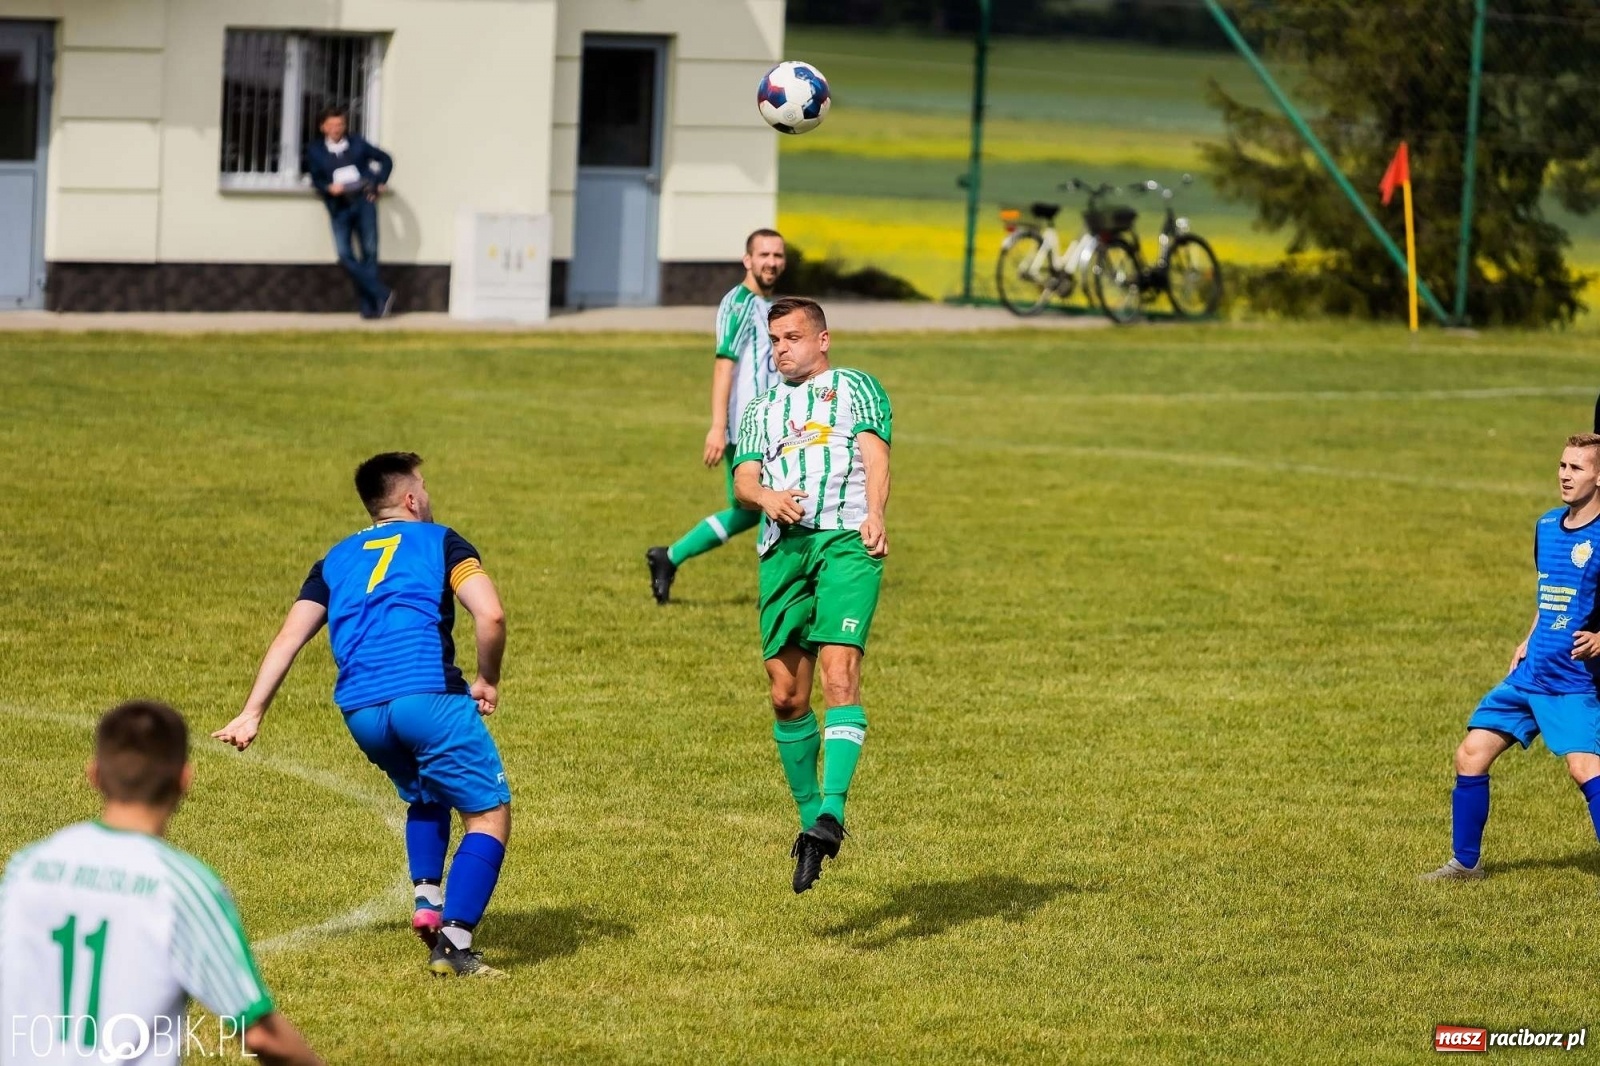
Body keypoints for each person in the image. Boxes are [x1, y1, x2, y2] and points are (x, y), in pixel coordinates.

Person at [212, 452, 512, 978]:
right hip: (427, 698)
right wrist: (487, 679)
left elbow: (288, 638)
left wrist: (251, 712)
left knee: (426, 793)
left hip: (362, 712)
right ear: (411, 498)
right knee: (488, 816)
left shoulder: (334, 559)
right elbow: (490, 614)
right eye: (424, 486)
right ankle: (454, 945)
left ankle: (427, 901)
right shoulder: (442, 541)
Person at [0, 700, 322, 1065]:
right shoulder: (183, 887)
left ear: (95, 775)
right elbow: (261, 1034)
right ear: (184, 779)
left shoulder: (26, 868)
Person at [731, 297, 893, 893]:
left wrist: (875, 513)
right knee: (785, 696)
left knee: (839, 675)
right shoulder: (761, 408)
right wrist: (766, 497)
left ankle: (832, 811)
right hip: (783, 551)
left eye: (792, 338)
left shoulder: (856, 387)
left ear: (822, 339)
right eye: (775, 340)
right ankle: (810, 828)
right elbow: (743, 479)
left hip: (847, 541)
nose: (781, 350)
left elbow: (876, 454)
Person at [1423, 434, 1600, 881]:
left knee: (1584, 769)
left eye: (1577, 468)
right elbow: (1550, 593)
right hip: (1530, 672)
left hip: (1573, 681)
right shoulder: (1546, 525)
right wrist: (1529, 637)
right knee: (1471, 754)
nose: (1565, 475)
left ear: (1599, 477)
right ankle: (1465, 864)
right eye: (1562, 465)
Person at [646, 229, 788, 603]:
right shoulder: (739, 304)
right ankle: (773, 595)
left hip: (773, 424)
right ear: (747, 260)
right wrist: (718, 427)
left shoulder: (769, 305)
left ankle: (668, 557)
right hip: (748, 428)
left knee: (749, 510)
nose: (771, 262)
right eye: (764, 255)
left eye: (777, 255)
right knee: (769, 504)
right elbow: (724, 364)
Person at [303, 107, 394, 319]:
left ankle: (370, 309)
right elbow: (316, 179)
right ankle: (382, 293)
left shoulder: (358, 144)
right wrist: (328, 188)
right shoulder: (315, 150)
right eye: (332, 125)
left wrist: (378, 183)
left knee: (369, 252)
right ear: (323, 127)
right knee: (344, 254)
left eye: (340, 125)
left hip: (363, 203)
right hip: (339, 206)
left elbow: (386, 159)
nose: (336, 129)